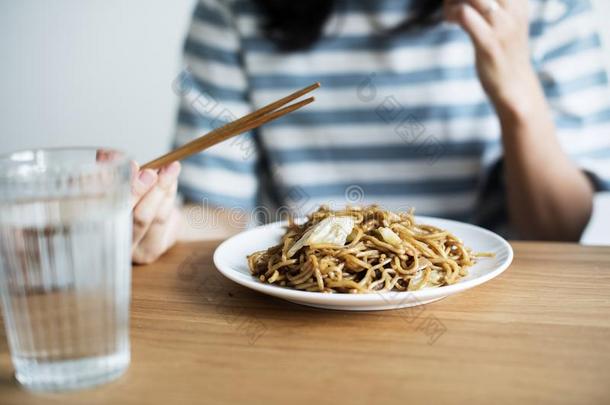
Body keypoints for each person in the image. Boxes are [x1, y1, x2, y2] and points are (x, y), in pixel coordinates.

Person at [130, 0, 610, 263]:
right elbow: (222, 216)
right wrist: (163, 224)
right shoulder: (233, 11)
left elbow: (559, 231)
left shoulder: (547, 8)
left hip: (492, 305)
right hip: (299, 303)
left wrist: (518, 95)